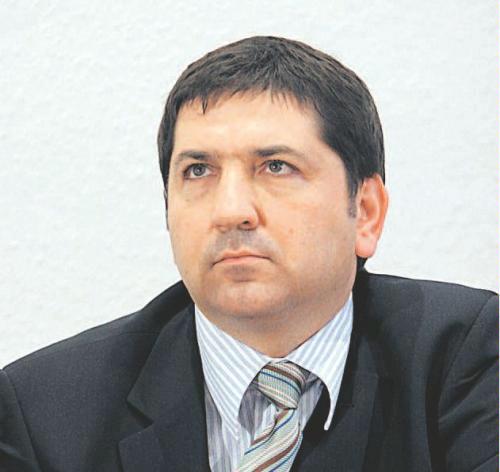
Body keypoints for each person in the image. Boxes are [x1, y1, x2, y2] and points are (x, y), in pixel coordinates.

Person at [0, 36, 497, 472]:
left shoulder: (464, 360)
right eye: (198, 171)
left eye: (276, 166)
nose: (231, 211)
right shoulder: (44, 412)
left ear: (365, 213)